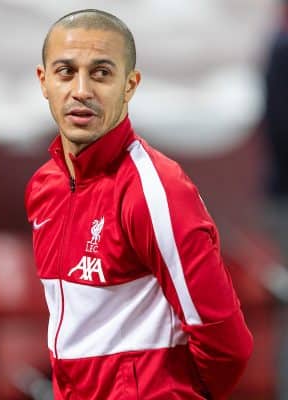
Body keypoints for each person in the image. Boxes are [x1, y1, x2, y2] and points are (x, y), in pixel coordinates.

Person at [24, 9, 253, 399]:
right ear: (44, 82)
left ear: (130, 85)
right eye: (66, 72)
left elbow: (228, 344)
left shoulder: (157, 190)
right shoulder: (44, 187)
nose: (81, 90)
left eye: (101, 73)